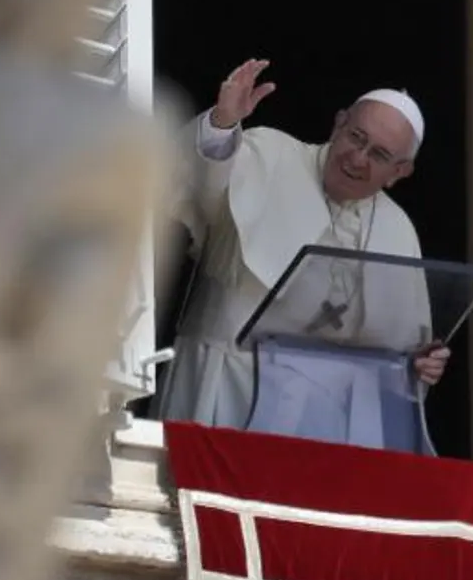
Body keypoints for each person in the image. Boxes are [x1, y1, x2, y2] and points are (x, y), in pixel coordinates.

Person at [156, 58, 452, 431]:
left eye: (378, 155)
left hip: (321, 414)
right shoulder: (269, 153)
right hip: (224, 386)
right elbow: (200, 190)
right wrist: (222, 123)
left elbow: (400, 352)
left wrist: (419, 365)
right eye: (355, 137)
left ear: (400, 172)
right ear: (339, 122)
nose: (357, 159)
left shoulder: (399, 231)